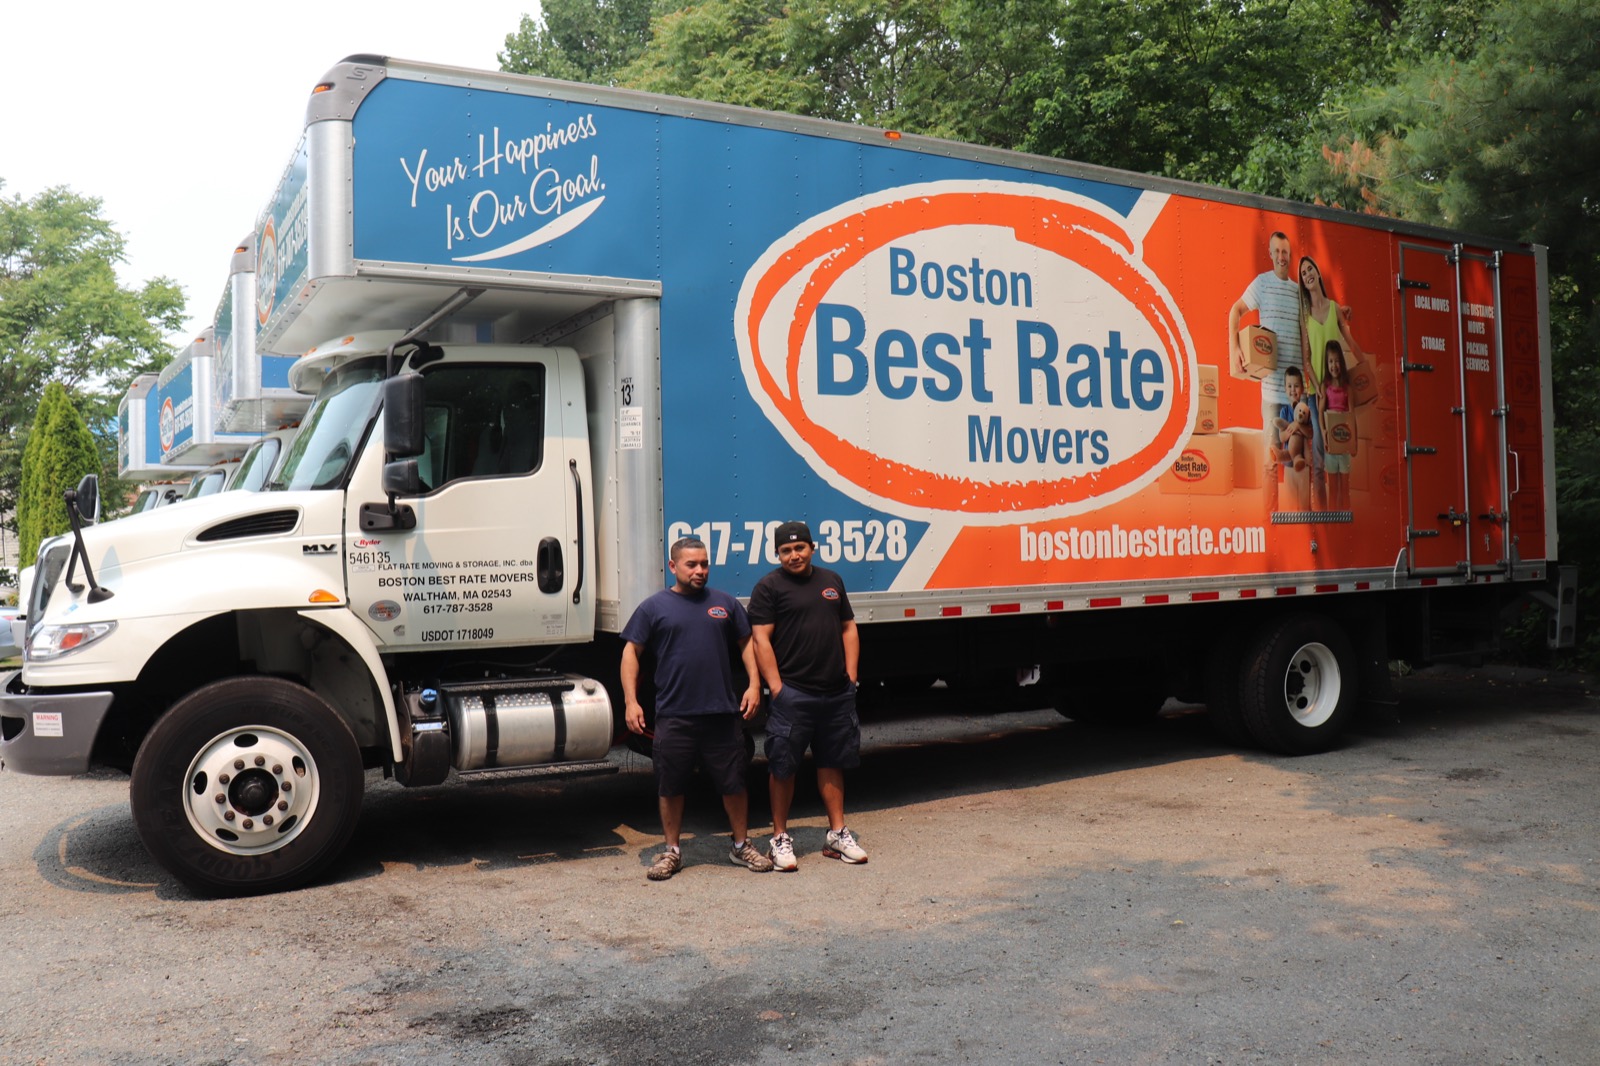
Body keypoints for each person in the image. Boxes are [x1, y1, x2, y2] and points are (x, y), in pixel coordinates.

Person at [621, 536, 774, 880]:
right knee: (670, 785)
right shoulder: (653, 607)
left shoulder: (725, 604)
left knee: (733, 782)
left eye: (704, 563)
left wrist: (754, 684)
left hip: (721, 714)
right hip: (674, 715)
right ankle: (672, 851)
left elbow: (747, 643)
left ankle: (740, 846)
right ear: (673, 566)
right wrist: (631, 701)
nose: (700, 570)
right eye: (692, 564)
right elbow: (631, 653)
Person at [750, 521, 866, 871]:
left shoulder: (831, 581)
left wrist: (852, 677)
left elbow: (848, 628)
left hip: (835, 693)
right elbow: (760, 639)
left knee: (833, 762)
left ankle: (837, 834)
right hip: (794, 694)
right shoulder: (769, 587)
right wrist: (778, 688)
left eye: (799, 548)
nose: (794, 555)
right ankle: (779, 839)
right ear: (777, 554)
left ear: (812, 548)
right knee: (783, 766)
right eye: (786, 550)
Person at [1229, 232, 1312, 511]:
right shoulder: (1262, 284)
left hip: (1297, 394)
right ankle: (1270, 522)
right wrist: (1236, 348)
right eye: (1276, 251)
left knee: (1298, 461)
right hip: (1272, 393)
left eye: (1285, 251)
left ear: (1290, 255)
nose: (1281, 256)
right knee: (1270, 461)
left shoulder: (1297, 290)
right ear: (1270, 253)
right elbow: (1236, 311)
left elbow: (1305, 334)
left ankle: (1299, 525)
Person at [1319, 340, 1357, 512]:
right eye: (1330, 361)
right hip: (1331, 448)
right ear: (1327, 364)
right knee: (1333, 489)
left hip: (1344, 447)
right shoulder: (1325, 387)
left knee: (1345, 489)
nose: (1334, 365)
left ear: (1341, 362)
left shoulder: (1347, 388)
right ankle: (1334, 523)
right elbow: (1321, 412)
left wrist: (1354, 442)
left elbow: (1351, 415)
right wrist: (1324, 432)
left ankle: (1346, 523)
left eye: (1336, 361)